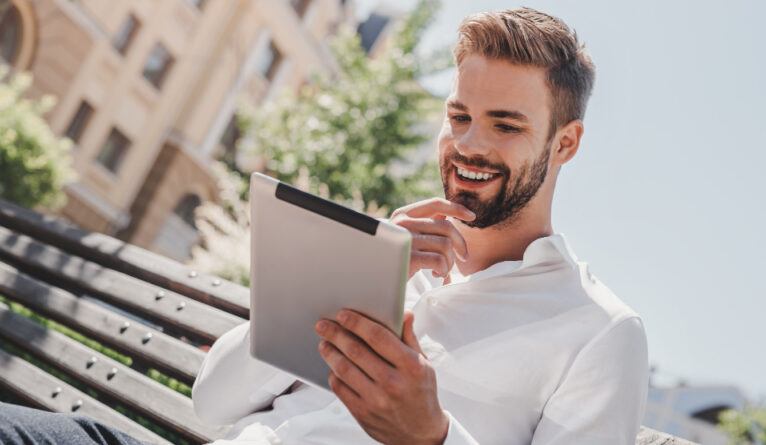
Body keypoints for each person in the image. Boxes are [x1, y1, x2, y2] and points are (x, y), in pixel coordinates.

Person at [0, 7, 648, 445]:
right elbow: (211, 404)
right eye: (458, 116)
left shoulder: (598, 331)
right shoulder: (389, 253)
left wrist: (432, 436)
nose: (468, 143)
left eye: (506, 124)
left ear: (565, 144)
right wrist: (348, 271)